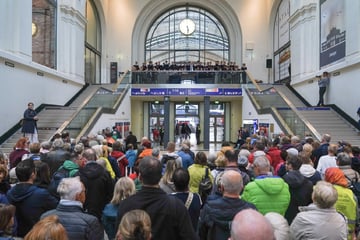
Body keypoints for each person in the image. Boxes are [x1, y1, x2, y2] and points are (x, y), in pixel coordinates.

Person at [116, 156, 197, 239]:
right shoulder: (176, 206)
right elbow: (189, 236)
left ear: (140, 177)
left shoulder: (125, 205)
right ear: (160, 177)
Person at [6, 159, 58, 237]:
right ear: (33, 174)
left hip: (17, 234)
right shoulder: (41, 194)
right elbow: (57, 207)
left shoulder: (9, 193)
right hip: (36, 234)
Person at [198, 170, 256, 240]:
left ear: (222, 188)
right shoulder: (251, 210)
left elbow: (201, 233)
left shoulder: (208, 208)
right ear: (242, 188)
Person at [78, 148, 114, 220]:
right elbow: (111, 192)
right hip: (101, 208)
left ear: (84, 159)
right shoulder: (105, 173)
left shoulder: (79, 173)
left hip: (84, 210)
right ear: (96, 158)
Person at [325, 167, 357, 239]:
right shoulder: (350, 194)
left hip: (328, 233)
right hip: (347, 234)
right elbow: (357, 217)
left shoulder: (324, 192)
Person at [282, 155, 313, 224]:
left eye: (287, 163)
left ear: (290, 165)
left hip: (287, 214)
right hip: (302, 216)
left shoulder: (283, 182)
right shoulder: (308, 184)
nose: (285, 165)